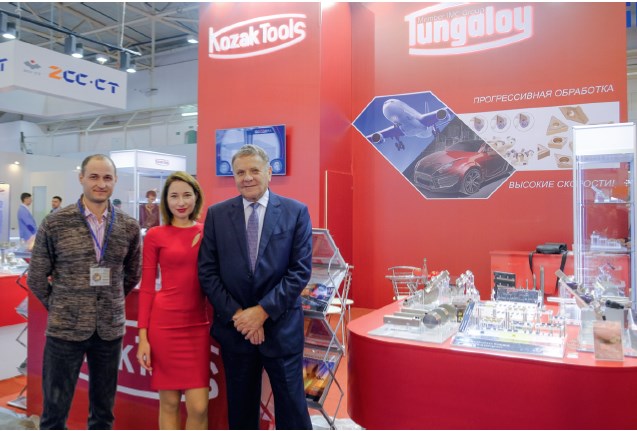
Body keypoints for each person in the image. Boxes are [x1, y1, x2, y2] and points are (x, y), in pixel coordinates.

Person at [198, 144, 313, 430]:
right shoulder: (217, 215)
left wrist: (261, 312)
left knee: (293, 412)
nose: (247, 177)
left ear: (269, 172)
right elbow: (208, 272)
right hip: (236, 332)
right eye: (240, 172)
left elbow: (300, 271)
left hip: (281, 329)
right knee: (241, 412)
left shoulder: (295, 212)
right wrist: (240, 316)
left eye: (254, 170)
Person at [27, 154, 142, 430]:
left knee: (103, 413)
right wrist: (61, 305)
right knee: (54, 412)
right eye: (94, 177)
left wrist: (109, 301)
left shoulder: (128, 226)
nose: (101, 184)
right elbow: (37, 276)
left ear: (115, 181)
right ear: (81, 179)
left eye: (107, 178)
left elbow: (132, 274)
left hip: (109, 330)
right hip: (64, 330)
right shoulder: (56, 223)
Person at [136, 171, 210, 430]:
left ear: (196, 198)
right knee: (168, 403)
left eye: (187, 195)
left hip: (197, 325)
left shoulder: (207, 231)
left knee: (199, 407)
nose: (181, 202)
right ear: (165, 201)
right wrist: (143, 337)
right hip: (164, 325)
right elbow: (147, 288)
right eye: (174, 196)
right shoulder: (155, 234)